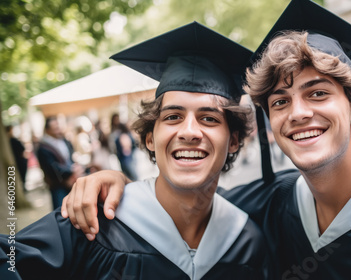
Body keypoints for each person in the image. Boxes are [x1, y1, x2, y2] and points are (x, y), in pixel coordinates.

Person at [61, 0, 351, 278]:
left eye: (318, 93)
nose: (299, 112)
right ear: (268, 120)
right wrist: (111, 181)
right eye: (280, 101)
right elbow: (189, 199)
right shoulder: (275, 203)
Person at [0, 22, 269, 280]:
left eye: (209, 118)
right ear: (150, 139)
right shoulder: (90, 221)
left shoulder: (247, 242)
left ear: (234, 141)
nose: (189, 131)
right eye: (173, 116)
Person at [36, 116, 86, 209]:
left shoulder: (64, 140)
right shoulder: (43, 147)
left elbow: (71, 157)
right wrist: (71, 170)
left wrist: (75, 169)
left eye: (58, 127)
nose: (58, 130)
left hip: (71, 180)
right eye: (55, 128)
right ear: (48, 130)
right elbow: (51, 167)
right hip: (58, 184)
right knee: (61, 210)